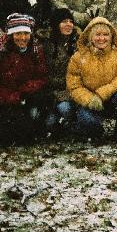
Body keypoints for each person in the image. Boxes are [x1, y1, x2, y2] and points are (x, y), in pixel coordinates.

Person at [0, 14, 50, 145]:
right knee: (13, 137)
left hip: (25, 97)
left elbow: (42, 77)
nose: (22, 38)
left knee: (33, 133)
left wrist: (27, 88)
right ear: (10, 35)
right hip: (1, 101)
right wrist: (10, 96)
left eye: (26, 33)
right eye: (18, 33)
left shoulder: (35, 51)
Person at [66, 16, 117, 142]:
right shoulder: (78, 57)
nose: (102, 38)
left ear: (111, 36)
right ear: (90, 36)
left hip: (111, 100)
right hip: (89, 103)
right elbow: (74, 86)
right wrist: (90, 99)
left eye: (105, 35)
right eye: (97, 34)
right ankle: (93, 129)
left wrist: (101, 94)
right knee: (90, 123)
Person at [42, 8, 81, 137]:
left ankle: (71, 124)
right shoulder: (45, 43)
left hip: (70, 92)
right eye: (64, 21)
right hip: (50, 92)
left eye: (71, 21)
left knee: (65, 108)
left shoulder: (79, 43)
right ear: (56, 24)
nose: (68, 24)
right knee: (48, 124)